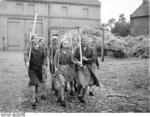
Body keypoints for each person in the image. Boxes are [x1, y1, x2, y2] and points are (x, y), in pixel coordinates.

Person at [24, 34, 48, 109]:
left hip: (39, 69)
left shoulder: (42, 47)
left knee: (37, 83)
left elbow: (44, 57)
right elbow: (26, 55)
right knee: (34, 83)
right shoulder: (30, 47)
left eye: (37, 38)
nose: (36, 39)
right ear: (32, 40)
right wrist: (27, 61)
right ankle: (33, 101)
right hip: (32, 69)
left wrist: (44, 64)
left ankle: (35, 96)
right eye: (35, 38)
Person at [74, 36, 100, 103]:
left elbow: (94, 58)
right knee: (80, 83)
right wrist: (78, 62)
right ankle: (78, 93)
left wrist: (87, 59)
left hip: (87, 67)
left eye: (86, 41)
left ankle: (83, 97)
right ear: (81, 41)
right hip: (79, 67)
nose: (85, 42)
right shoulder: (78, 49)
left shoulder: (90, 49)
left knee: (86, 83)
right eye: (84, 41)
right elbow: (74, 57)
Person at [53, 38, 77, 106]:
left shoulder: (70, 52)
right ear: (62, 44)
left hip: (67, 70)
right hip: (59, 69)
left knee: (63, 85)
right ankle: (62, 99)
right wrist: (55, 68)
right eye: (64, 43)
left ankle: (59, 97)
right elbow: (55, 61)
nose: (66, 45)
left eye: (67, 43)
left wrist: (77, 62)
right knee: (63, 84)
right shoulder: (58, 51)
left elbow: (72, 61)